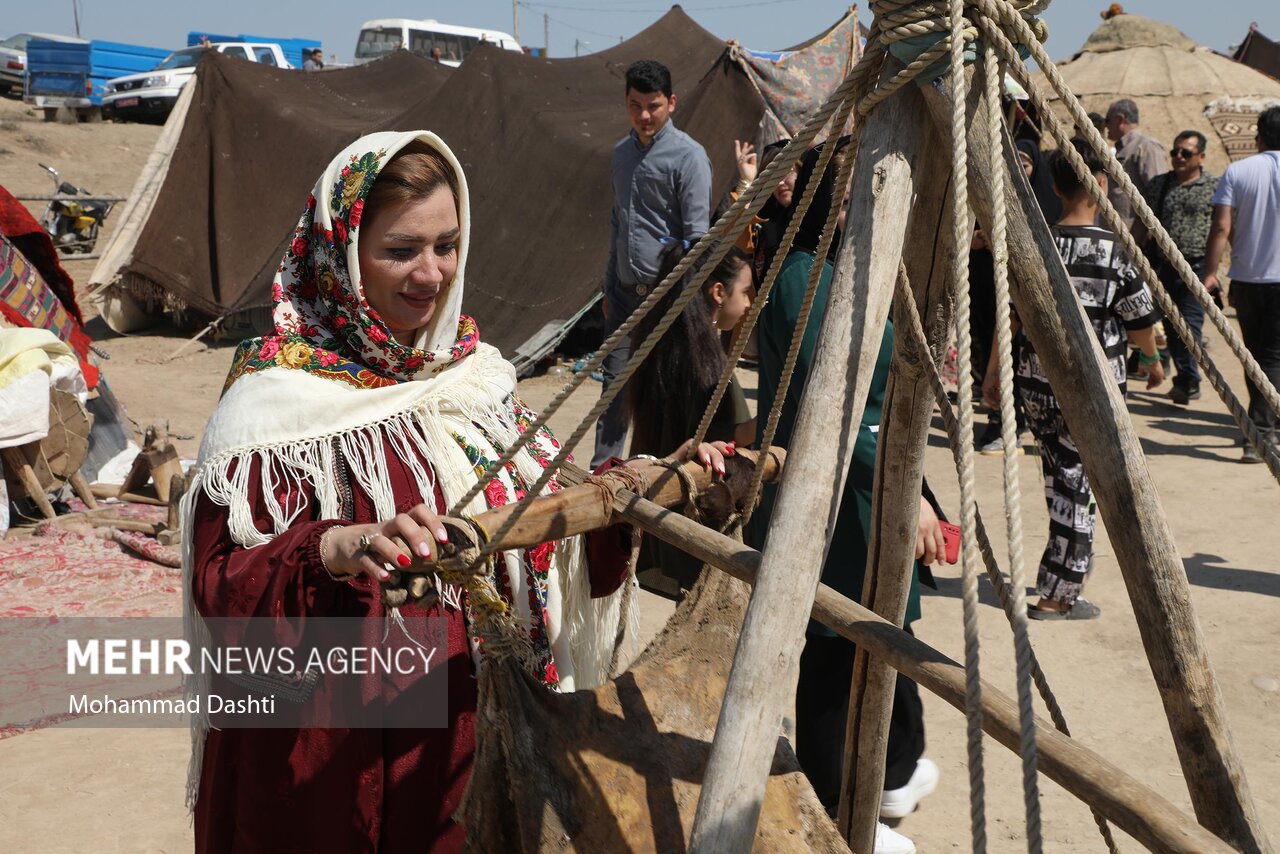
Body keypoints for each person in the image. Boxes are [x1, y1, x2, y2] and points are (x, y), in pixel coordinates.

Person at [184, 131, 711, 851]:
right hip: (341, 764)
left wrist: (636, 487)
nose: (431, 273)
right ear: (341, 255)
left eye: (447, 244)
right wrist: (333, 548)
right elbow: (222, 587)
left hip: (477, 732)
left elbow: (542, 513)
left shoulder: (474, 377)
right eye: (401, 250)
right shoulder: (274, 407)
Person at [754, 140, 951, 854]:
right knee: (839, 657)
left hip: (870, 494)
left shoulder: (844, 271)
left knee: (883, 643)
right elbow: (829, 413)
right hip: (837, 506)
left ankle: (892, 774)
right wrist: (907, 489)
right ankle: (838, 812)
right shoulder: (806, 279)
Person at [986, 140, 1163, 620]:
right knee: (1077, 488)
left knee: (1061, 479)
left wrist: (993, 373)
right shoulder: (1111, 251)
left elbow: (1014, 316)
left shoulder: (1036, 243)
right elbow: (1141, 322)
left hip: (1035, 383)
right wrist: (1152, 361)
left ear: (1057, 187)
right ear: (1101, 185)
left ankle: (1062, 581)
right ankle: (1057, 593)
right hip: (1089, 391)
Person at [593, 59, 712, 469]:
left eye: (654, 106)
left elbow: (698, 238)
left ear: (671, 103)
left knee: (664, 393)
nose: (644, 115)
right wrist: (609, 289)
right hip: (625, 298)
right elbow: (617, 225)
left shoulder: (689, 157)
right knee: (614, 390)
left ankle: (661, 476)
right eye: (635, 105)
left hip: (669, 299)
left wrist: (687, 304)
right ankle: (604, 474)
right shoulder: (621, 154)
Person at [625, 240, 755, 596]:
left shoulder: (663, 341)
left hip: (666, 506)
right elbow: (725, 438)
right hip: (698, 511)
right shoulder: (706, 362)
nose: (748, 304)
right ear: (717, 292)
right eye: (745, 292)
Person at [1204, 106, 1280, 463]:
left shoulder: (1238, 171)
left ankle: (1259, 432)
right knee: (1273, 358)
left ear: (1258, 138)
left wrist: (1211, 271)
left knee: (1255, 357)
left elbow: (1221, 227)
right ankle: (1264, 431)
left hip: (1248, 278)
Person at [1133, 130, 1219, 404]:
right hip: (1163, 265)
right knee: (1170, 325)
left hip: (1195, 266)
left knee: (1190, 325)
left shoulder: (1213, 187)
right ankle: (1184, 378)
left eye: (1186, 153)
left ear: (1201, 157)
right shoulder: (1160, 184)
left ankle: (1190, 380)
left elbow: (1224, 227)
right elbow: (1142, 220)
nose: (1179, 157)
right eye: (1175, 152)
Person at [1105, 98, 1166, 229]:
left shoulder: (1146, 146)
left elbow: (1157, 193)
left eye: (1107, 120)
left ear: (1120, 119)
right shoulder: (1124, 148)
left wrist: (1144, 232)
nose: (1106, 126)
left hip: (1133, 235)